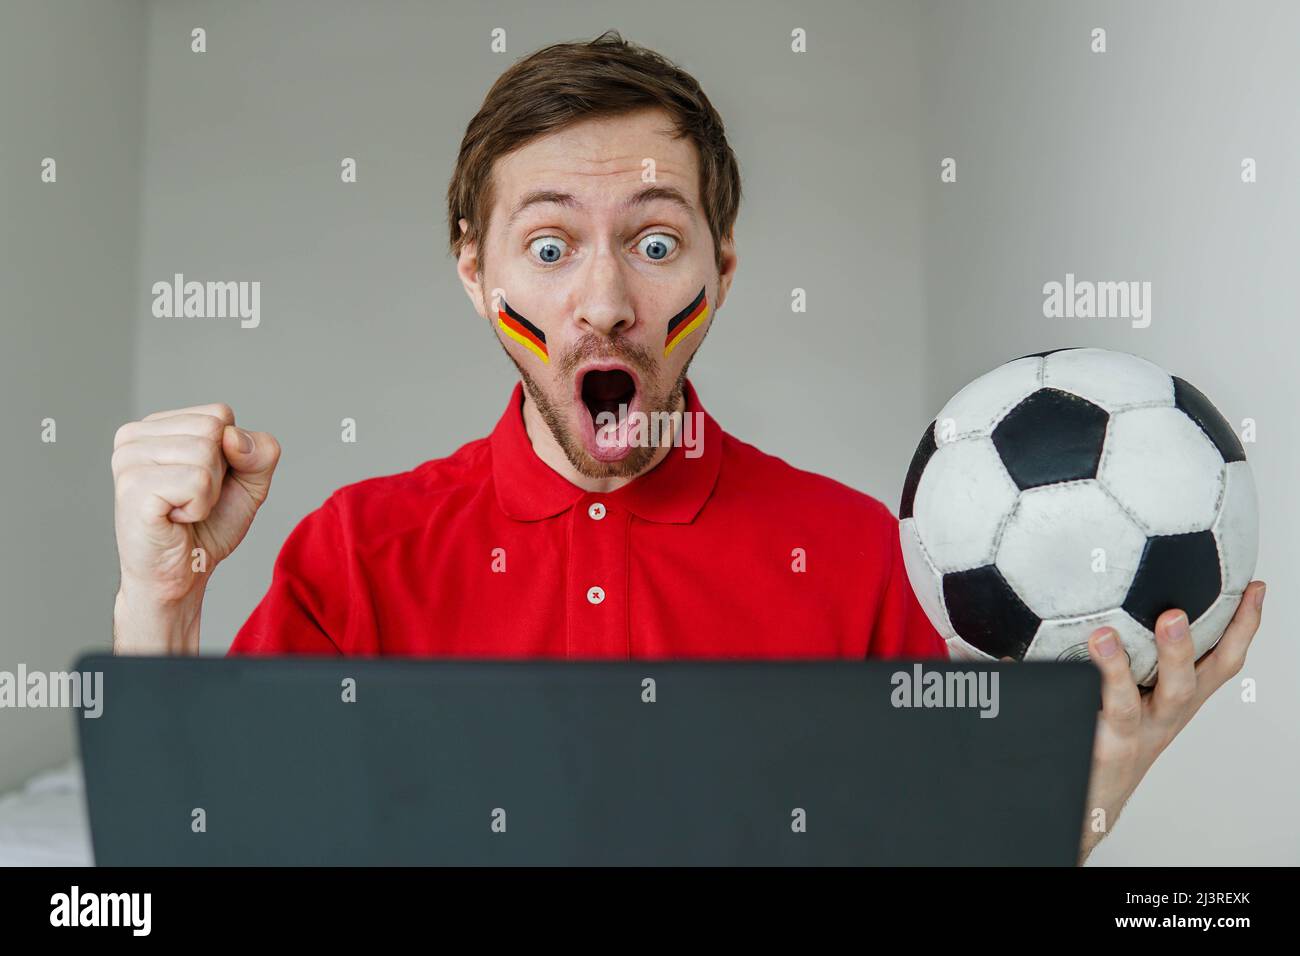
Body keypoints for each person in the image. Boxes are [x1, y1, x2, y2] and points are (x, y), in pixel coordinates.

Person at [108, 31, 1265, 863]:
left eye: (655, 241)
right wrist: (159, 605)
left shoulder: (861, 555)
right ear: (478, 274)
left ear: (722, 268)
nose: (605, 300)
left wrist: (1093, 790)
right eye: (550, 247)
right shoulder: (357, 555)